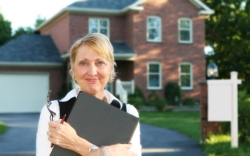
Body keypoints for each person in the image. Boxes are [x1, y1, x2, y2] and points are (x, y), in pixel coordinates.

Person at [36, 33, 141, 156]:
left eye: (100, 62)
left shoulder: (128, 112)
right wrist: (108, 153)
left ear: (111, 68)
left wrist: (77, 144)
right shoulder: (54, 111)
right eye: (83, 63)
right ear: (73, 69)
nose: (92, 72)